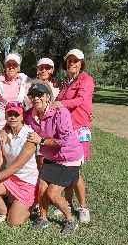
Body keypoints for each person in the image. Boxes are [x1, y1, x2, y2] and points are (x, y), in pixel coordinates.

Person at [24, 79, 84, 235]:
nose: (36, 98)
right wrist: (5, 129)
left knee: (53, 193)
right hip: (51, 156)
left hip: (69, 157)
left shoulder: (60, 112)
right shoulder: (31, 114)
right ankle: (43, 219)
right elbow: (17, 120)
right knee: (42, 188)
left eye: (39, 94)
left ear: (48, 97)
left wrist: (41, 141)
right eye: (32, 95)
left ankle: (70, 220)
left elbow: (64, 140)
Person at [52, 49, 94, 223]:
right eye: (69, 60)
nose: (72, 63)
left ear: (81, 63)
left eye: (75, 61)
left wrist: (62, 103)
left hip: (80, 130)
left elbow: (81, 100)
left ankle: (83, 208)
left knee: (74, 170)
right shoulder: (66, 82)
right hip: (66, 130)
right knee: (68, 167)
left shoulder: (86, 79)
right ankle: (68, 204)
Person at [0, 101, 38, 226]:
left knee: (13, 222)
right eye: (9, 114)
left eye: (16, 114)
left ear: (22, 116)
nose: (12, 117)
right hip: (11, 179)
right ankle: (3, 212)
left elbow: (17, 166)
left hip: (27, 182)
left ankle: (32, 204)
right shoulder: (5, 134)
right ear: (5, 116)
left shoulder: (30, 136)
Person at [0, 53, 32, 177]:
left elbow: (40, 86)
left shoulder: (25, 80)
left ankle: (14, 186)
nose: (11, 67)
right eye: (9, 64)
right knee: (0, 156)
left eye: (15, 65)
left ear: (19, 67)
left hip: (17, 124)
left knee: (17, 156)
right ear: (4, 66)